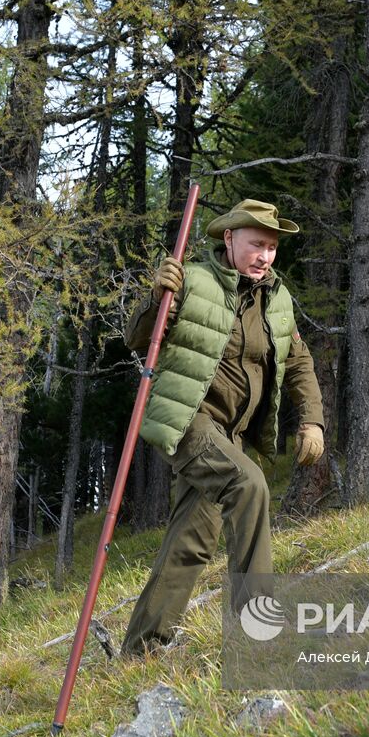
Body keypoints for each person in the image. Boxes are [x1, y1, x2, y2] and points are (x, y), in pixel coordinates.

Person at [120, 198, 325, 658]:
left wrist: (311, 418)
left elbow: (298, 362)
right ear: (229, 239)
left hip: (230, 434)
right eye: (257, 245)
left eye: (272, 248)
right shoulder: (193, 280)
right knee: (249, 485)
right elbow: (138, 338)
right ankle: (258, 633)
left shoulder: (278, 297)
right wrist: (157, 299)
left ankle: (140, 650)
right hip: (187, 419)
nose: (265, 256)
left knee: (192, 540)